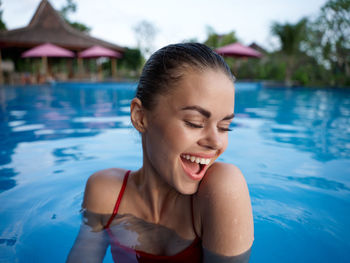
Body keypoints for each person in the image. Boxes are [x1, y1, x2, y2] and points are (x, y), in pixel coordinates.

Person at [67, 43, 254, 263]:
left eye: (224, 127)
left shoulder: (222, 189)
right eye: (194, 122)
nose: (216, 142)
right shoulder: (105, 193)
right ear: (140, 117)